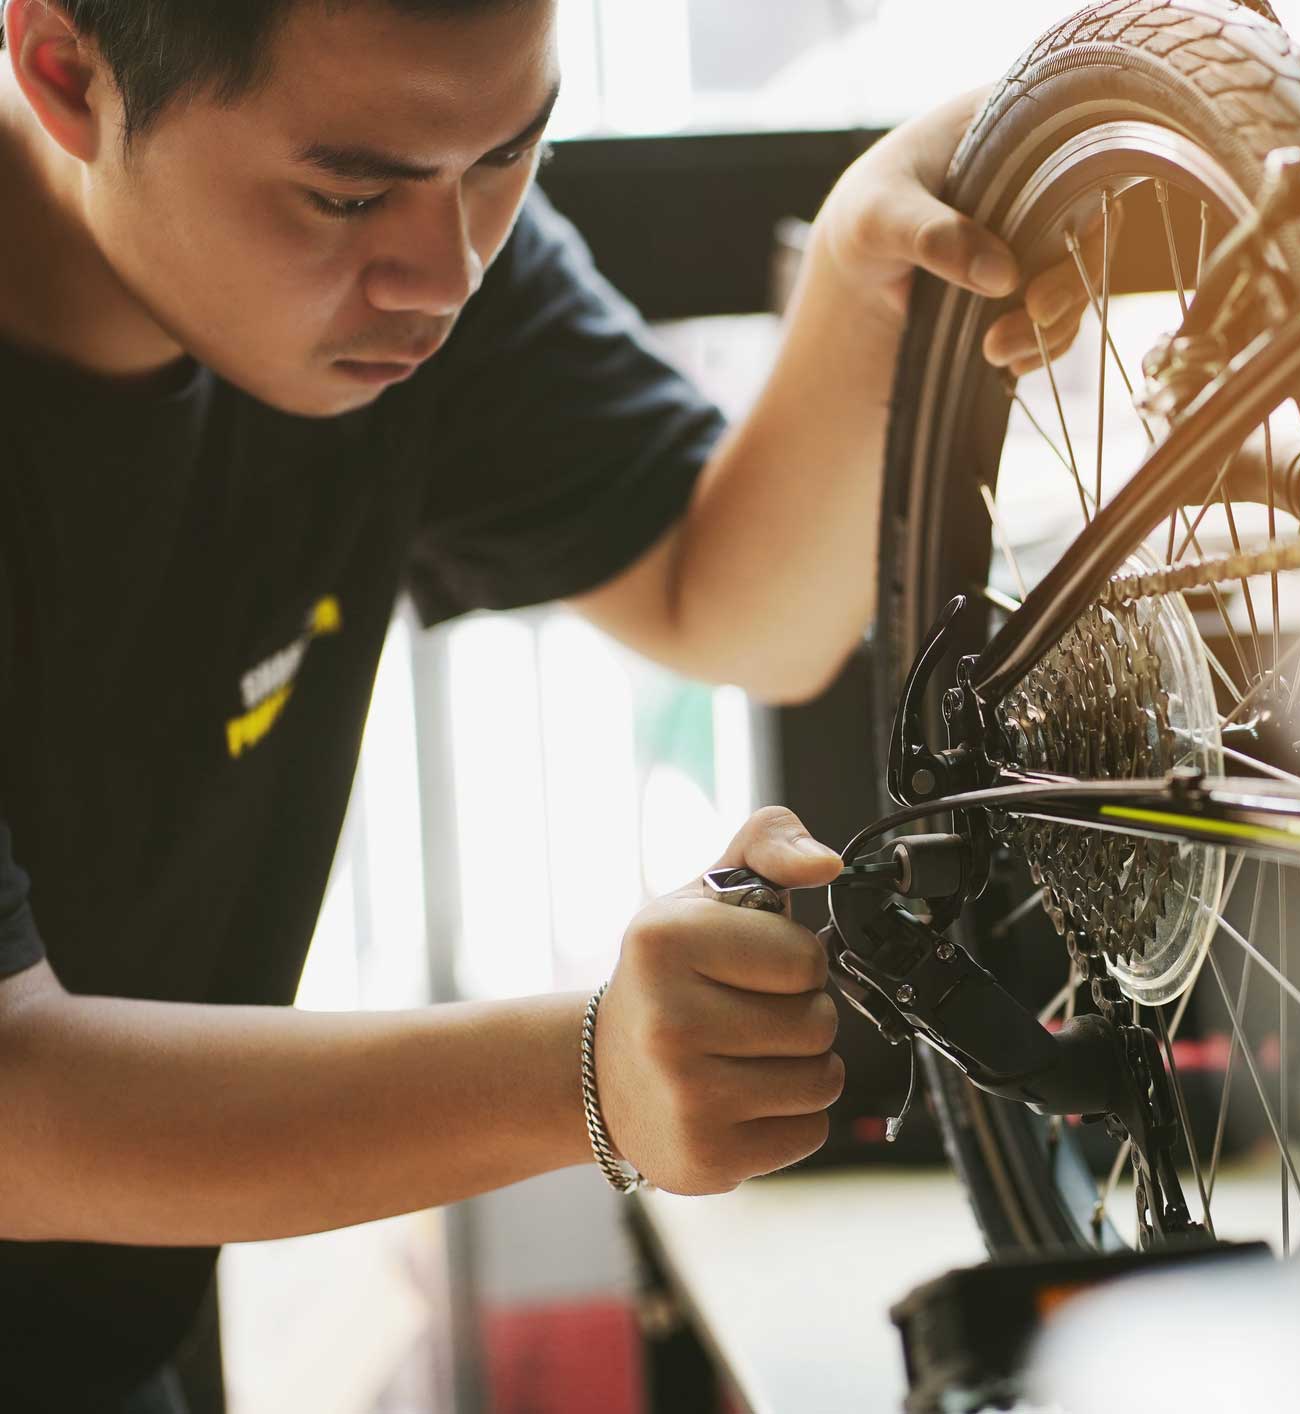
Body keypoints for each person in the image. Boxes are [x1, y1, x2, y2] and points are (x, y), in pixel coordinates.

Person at [0, 0, 1093, 1406]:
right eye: (342, 193)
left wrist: (862, 278)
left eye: (508, 156)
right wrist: (587, 1072)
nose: (442, 274)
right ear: (64, 73)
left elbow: (730, 600)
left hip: (106, 1327)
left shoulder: (418, 267)